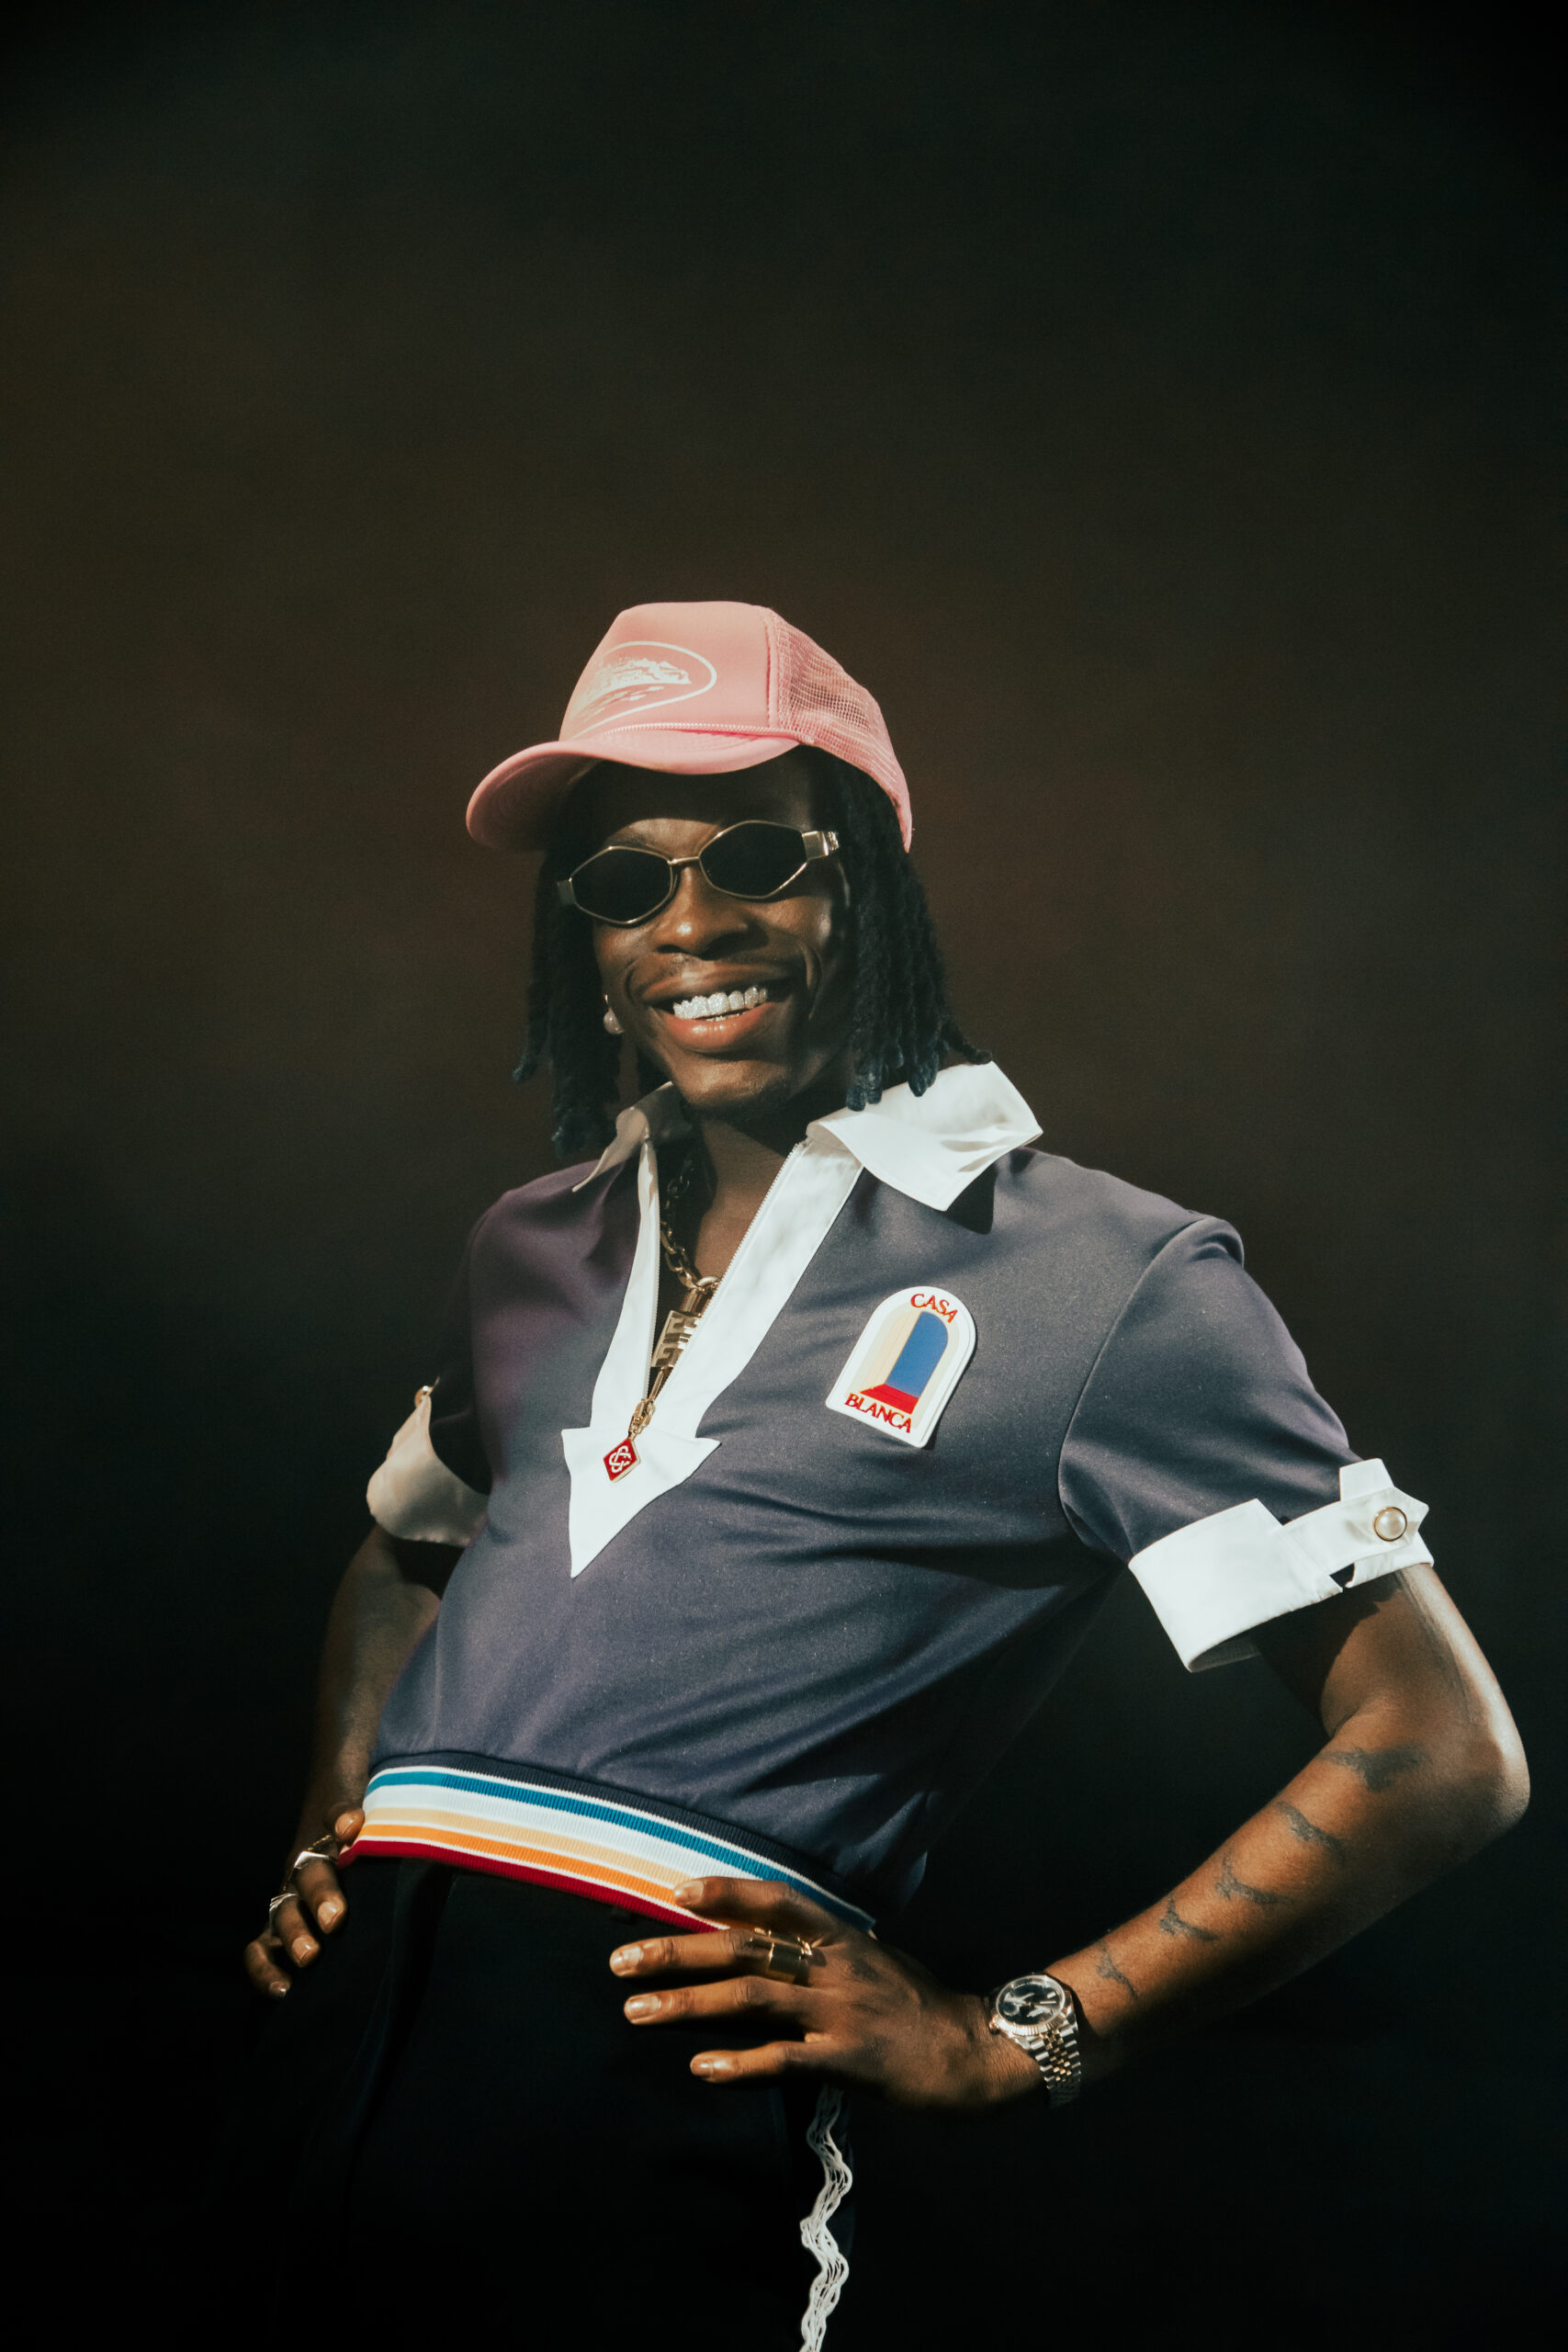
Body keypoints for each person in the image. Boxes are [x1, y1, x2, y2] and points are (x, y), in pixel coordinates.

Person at [231, 600, 1527, 2346]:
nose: (693, 923)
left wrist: (1014, 2036)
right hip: (331, 2076)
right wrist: (342, 1817)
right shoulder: (533, 1245)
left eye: (758, 856)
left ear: (873, 881)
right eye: (622, 881)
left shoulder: (1110, 1279)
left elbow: (1442, 1748)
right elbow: (408, 1550)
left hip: (651, 2105)